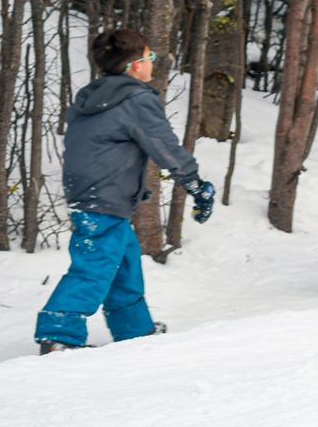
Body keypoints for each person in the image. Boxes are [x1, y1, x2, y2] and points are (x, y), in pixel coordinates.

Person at [34, 29, 215, 355]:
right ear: (135, 66)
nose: (152, 65)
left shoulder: (93, 96)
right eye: (150, 58)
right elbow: (165, 147)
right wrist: (196, 185)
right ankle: (58, 333)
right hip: (104, 196)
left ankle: (134, 330)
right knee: (94, 267)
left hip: (95, 194)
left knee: (124, 263)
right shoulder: (135, 99)